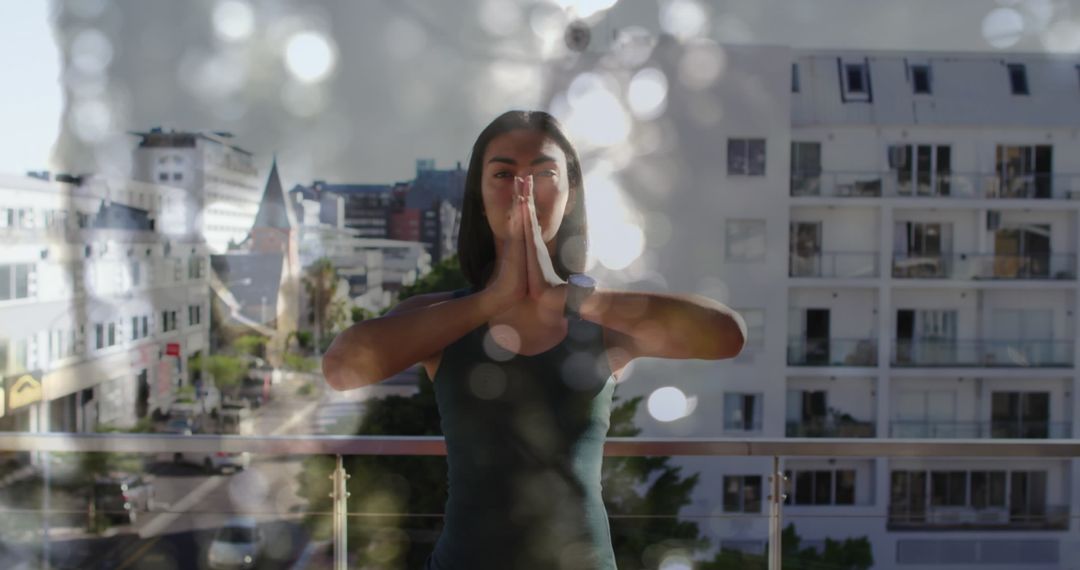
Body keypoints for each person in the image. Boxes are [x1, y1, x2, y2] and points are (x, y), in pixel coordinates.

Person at [322, 110, 747, 569]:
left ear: (570, 193)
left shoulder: (605, 319)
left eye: (544, 173)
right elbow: (340, 369)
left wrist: (567, 297)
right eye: (503, 173)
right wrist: (492, 299)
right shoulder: (440, 319)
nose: (523, 189)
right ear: (478, 195)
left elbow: (726, 336)